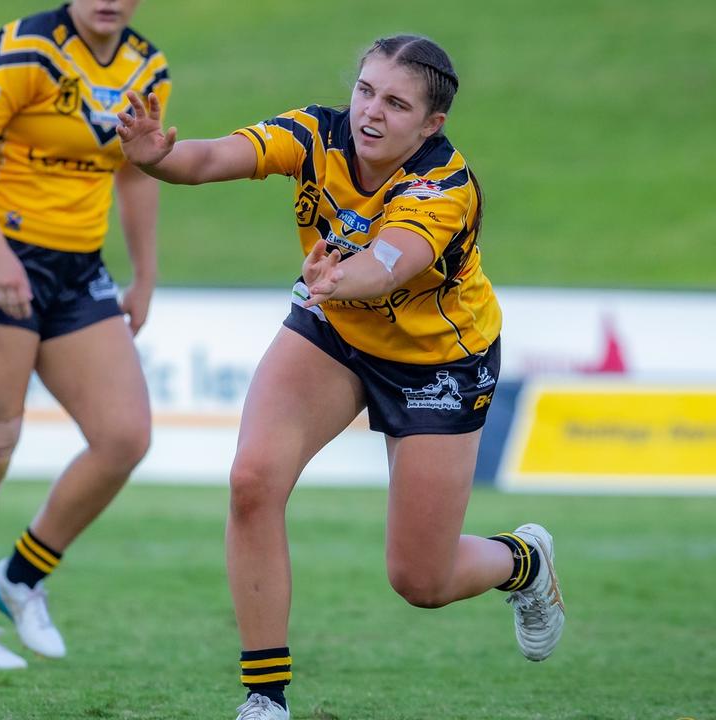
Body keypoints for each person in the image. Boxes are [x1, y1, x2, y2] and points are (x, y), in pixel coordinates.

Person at [117, 35, 564, 719]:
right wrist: (159, 158)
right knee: (251, 482)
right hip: (335, 330)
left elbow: (388, 263)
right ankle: (265, 697)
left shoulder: (444, 187)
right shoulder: (313, 134)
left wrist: (338, 277)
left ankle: (523, 562)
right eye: (365, 90)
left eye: (395, 102)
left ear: (430, 124)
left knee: (421, 580)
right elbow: (209, 158)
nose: (371, 112)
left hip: (438, 359)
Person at [0, 0, 170, 670]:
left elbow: (134, 168)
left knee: (126, 436)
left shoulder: (145, 66)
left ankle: (21, 576)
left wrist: (145, 275)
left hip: (78, 270)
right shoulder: (22, 48)